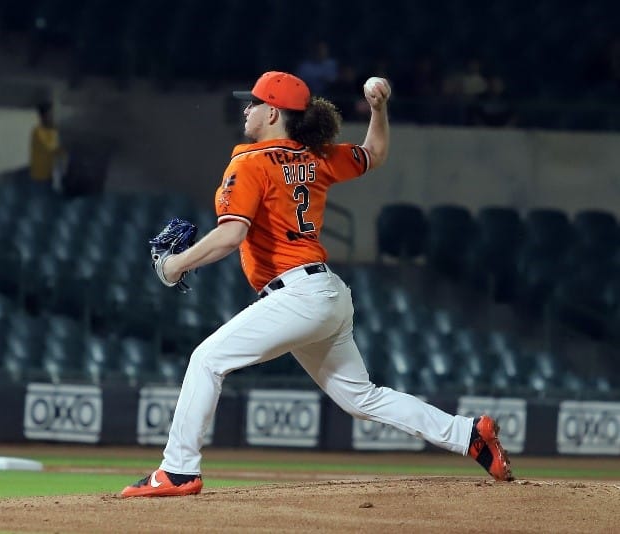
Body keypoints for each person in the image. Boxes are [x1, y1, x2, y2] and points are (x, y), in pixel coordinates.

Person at [121, 70, 513, 498]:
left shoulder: (249, 162)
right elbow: (374, 153)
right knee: (362, 398)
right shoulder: (316, 156)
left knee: (206, 360)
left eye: (252, 102)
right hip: (325, 294)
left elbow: (232, 236)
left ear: (272, 112)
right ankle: (468, 434)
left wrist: (175, 265)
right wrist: (379, 109)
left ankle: (178, 471)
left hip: (298, 296)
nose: (246, 109)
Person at [29, 101, 67, 192]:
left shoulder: (53, 130)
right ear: (43, 116)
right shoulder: (38, 131)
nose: (53, 117)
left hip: (51, 176)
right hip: (41, 176)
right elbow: (52, 148)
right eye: (50, 115)